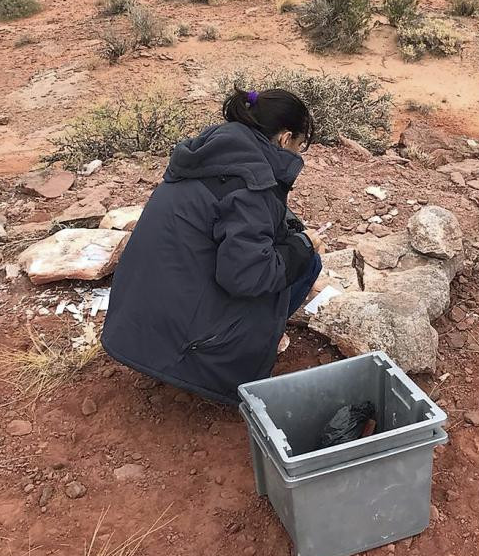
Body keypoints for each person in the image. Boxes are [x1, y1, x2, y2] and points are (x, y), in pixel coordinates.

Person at [101, 88, 324, 404]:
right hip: (185, 347)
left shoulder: (210, 155)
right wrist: (303, 245)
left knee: (287, 250)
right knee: (304, 264)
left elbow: (232, 213)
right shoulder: (253, 185)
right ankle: (243, 347)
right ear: (285, 139)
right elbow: (247, 275)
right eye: (299, 147)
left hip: (134, 327)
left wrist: (289, 232)